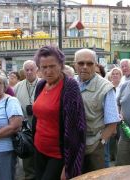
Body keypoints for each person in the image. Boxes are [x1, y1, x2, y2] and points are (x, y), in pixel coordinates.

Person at [32, 45, 86, 180]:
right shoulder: (41, 85)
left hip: (58, 155)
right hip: (39, 149)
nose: (48, 71)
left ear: (61, 65)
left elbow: (77, 128)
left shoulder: (70, 87)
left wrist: (69, 167)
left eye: (52, 66)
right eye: (44, 67)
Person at [74, 48, 120, 173]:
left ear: (95, 65)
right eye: (81, 63)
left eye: (89, 63)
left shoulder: (105, 87)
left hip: (94, 146)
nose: (84, 67)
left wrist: (101, 142)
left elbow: (112, 122)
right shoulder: (71, 84)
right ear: (74, 65)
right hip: (73, 144)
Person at [14, 60, 40, 180]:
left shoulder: (44, 84)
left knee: (41, 159)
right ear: (24, 71)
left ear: (37, 70)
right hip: (25, 130)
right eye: (27, 70)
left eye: (31, 69)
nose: (29, 72)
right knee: (28, 161)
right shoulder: (17, 87)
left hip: (41, 128)